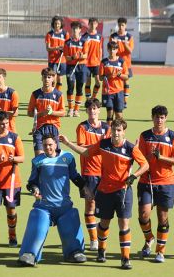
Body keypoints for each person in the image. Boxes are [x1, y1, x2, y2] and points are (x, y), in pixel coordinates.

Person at [60, 119, 149, 270]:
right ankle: (101, 250)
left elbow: (145, 164)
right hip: (105, 191)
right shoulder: (104, 144)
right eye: (114, 130)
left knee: (124, 224)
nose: (116, 133)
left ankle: (125, 258)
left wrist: (134, 176)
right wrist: (68, 143)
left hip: (123, 192)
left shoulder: (130, 148)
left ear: (123, 132)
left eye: (119, 130)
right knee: (104, 223)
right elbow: (86, 152)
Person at [18, 133, 92, 267]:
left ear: (56, 144)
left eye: (50, 145)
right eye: (45, 145)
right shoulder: (38, 161)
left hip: (64, 206)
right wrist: (34, 189)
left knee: (71, 217)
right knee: (37, 219)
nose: (48, 148)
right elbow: (32, 182)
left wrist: (84, 186)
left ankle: (74, 251)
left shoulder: (68, 158)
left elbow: (74, 175)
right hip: (43, 206)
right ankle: (30, 254)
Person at [137, 105, 174, 263]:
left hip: (166, 182)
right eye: (156, 117)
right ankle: (149, 238)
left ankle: (160, 251)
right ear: (152, 118)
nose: (159, 120)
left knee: (162, 217)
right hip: (146, 181)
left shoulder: (173, 137)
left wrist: (161, 157)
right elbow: (140, 159)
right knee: (143, 215)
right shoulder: (145, 136)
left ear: (166, 118)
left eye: (162, 117)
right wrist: (150, 156)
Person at [76, 98, 110, 251]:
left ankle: (97, 229)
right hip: (89, 173)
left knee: (104, 208)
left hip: (105, 173)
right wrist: (99, 144)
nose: (92, 111)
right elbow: (83, 149)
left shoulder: (107, 128)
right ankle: (94, 240)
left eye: (95, 108)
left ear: (99, 110)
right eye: (89, 109)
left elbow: (110, 147)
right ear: (86, 111)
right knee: (90, 205)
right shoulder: (82, 127)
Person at [0, 111, 25, 251]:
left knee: (11, 210)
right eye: (2, 124)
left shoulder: (14, 138)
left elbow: (21, 158)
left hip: (12, 182)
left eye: (6, 123)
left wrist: (12, 159)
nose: (5, 126)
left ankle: (12, 236)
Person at [27, 68, 65, 156]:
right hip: (39, 128)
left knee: (53, 155)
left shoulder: (59, 94)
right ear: (42, 78)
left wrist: (51, 112)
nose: (47, 79)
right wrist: (42, 113)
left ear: (53, 79)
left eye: (49, 77)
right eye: (45, 77)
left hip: (53, 127)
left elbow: (63, 113)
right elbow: (29, 113)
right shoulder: (35, 94)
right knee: (39, 156)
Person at [99, 41, 128, 126]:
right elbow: (100, 77)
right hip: (108, 91)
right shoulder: (104, 62)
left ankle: (120, 132)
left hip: (119, 91)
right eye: (111, 49)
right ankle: (109, 133)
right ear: (108, 49)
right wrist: (108, 76)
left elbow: (126, 76)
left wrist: (120, 75)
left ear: (117, 50)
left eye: (114, 49)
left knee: (119, 115)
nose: (112, 51)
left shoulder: (121, 61)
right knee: (110, 113)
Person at [64, 21, 88, 117]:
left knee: (79, 87)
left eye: (76, 29)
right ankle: (70, 108)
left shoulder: (84, 41)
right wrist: (74, 57)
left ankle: (76, 110)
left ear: (80, 30)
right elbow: (67, 57)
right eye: (73, 29)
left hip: (81, 67)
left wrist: (80, 56)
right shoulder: (67, 42)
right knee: (70, 87)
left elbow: (85, 55)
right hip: (70, 67)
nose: (74, 30)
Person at [109, 17, 133, 108]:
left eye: (122, 25)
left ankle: (124, 102)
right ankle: (116, 100)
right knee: (116, 82)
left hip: (126, 63)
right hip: (115, 63)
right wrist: (114, 43)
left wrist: (125, 44)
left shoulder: (129, 37)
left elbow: (130, 51)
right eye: (119, 25)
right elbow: (110, 48)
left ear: (125, 25)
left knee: (126, 82)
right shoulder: (113, 36)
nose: (121, 27)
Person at [45, 16, 69, 91]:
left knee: (60, 78)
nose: (57, 25)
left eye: (58, 24)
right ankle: (52, 92)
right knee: (53, 78)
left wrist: (64, 50)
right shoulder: (49, 34)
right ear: (53, 24)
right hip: (52, 60)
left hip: (62, 60)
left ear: (61, 24)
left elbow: (68, 47)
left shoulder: (65, 34)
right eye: (55, 23)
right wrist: (57, 48)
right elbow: (48, 48)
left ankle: (58, 94)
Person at [83, 17, 103, 100]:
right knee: (88, 82)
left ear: (97, 25)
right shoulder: (84, 36)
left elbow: (100, 49)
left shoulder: (99, 36)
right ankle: (88, 100)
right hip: (86, 63)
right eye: (91, 23)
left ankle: (93, 97)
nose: (92, 25)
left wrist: (100, 60)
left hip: (96, 63)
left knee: (98, 82)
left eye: (94, 24)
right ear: (88, 24)